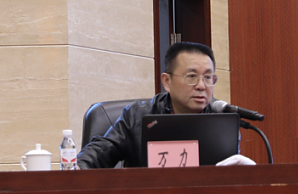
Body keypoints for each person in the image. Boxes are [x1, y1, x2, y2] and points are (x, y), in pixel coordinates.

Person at [77, 41, 245, 169]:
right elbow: (99, 152)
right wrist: (77, 168)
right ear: (167, 81)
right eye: (192, 76)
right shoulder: (138, 115)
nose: (201, 85)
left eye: (208, 77)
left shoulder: (222, 119)